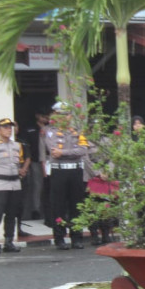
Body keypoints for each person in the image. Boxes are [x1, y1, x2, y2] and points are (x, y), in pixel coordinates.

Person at [43, 102, 90, 249]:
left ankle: (77, 237)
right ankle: (60, 238)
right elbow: (53, 152)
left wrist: (63, 152)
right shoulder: (50, 131)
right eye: (61, 115)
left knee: (76, 205)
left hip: (75, 171)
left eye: (67, 114)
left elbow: (83, 150)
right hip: (59, 171)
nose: (64, 118)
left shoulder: (77, 131)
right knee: (59, 206)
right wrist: (69, 153)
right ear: (55, 115)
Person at [0, 118, 25, 253]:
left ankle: (9, 242)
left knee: (12, 214)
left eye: (10, 127)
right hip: (0, 184)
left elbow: (20, 163)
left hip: (15, 183)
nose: (9, 130)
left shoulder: (17, 146)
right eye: (5, 127)